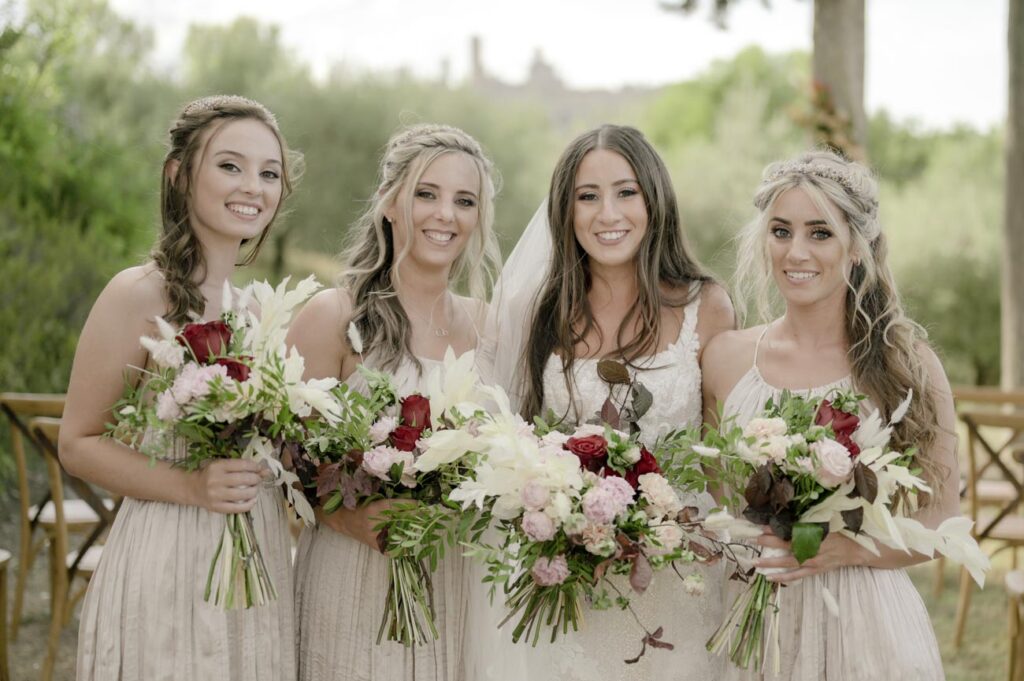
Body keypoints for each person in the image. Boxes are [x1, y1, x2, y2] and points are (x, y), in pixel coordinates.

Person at [480, 124, 735, 681]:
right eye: (587, 196)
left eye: (625, 192)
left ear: (653, 199)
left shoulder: (706, 306)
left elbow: (720, 461)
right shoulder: (539, 312)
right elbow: (514, 445)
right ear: (565, 211)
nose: (608, 214)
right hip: (572, 582)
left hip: (677, 576)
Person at [60, 95, 300, 680]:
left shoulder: (260, 311)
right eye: (230, 165)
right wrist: (191, 485)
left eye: (269, 173)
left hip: (256, 561)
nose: (253, 186)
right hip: (167, 556)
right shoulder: (137, 293)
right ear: (179, 174)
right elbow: (78, 443)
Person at [701, 149, 956, 680]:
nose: (796, 251)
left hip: (866, 623)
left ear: (857, 247)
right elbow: (716, 502)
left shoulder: (907, 366)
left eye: (819, 233)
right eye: (781, 231)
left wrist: (842, 548)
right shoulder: (725, 359)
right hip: (757, 622)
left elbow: (940, 522)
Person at [287, 122, 501, 681]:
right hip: (354, 575)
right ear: (388, 203)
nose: (445, 215)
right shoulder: (335, 315)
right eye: (426, 194)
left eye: (464, 201)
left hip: (456, 581)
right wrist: (349, 517)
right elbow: (285, 457)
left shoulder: (490, 327)